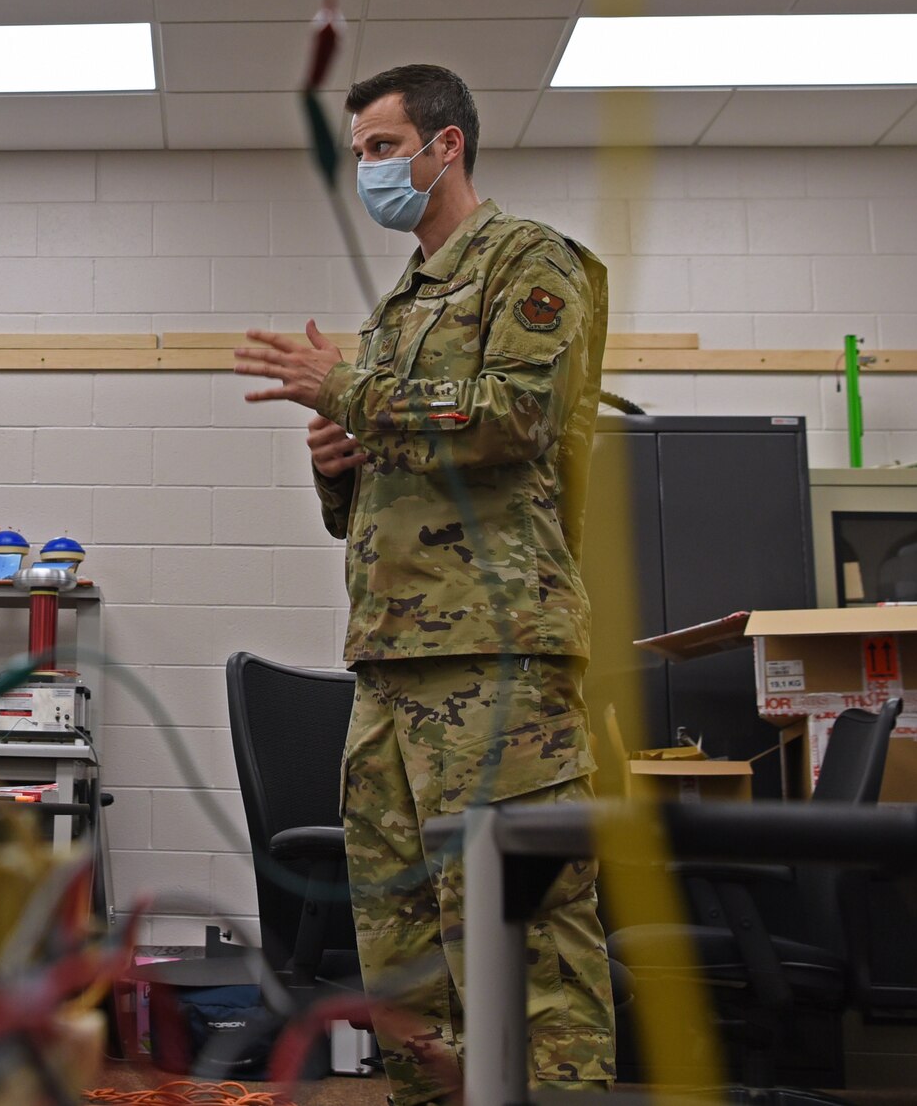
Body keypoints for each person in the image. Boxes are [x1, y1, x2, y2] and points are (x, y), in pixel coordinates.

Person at [234, 64, 613, 1098]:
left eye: (380, 147)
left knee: (527, 934)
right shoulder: (401, 302)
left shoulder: (529, 260)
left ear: (444, 147)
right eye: (358, 151)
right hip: (391, 662)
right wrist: (333, 468)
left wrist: (349, 388)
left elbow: (513, 416)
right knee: (400, 946)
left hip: (497, 656)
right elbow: (388, 497)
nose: (366, 169)